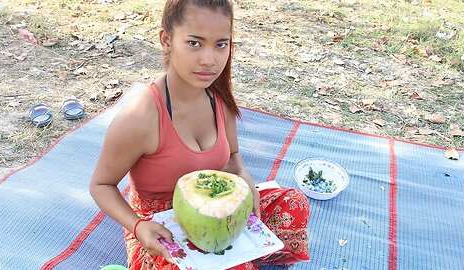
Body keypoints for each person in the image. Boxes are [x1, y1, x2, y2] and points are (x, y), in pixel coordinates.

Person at [89, 0, 310, 269]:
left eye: (221, 44)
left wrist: (244, 178)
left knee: (293, 204)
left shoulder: (219, 97)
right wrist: (138, 227)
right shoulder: (141, 117)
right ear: (166, 40)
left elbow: (233, 156)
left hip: (218, 206)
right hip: (162, 226)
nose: (209, 60)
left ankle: (252, 255)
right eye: (195, 43)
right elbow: (101, 186)